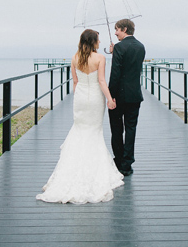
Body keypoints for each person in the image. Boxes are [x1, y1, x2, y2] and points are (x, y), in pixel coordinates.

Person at [36, 29, 124, 204]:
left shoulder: (75, 57)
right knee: (94, 131)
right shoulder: (100, 58)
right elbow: (101, 81)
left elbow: (75, 82)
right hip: (95, 100)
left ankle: (70, 170)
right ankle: (94, 171)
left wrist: (78, 98)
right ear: (93, 41)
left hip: (80, 99)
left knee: (79, 130)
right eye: (98, 40)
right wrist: (110, 99)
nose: (100, 42)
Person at [108, 19, 146, 176]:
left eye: (117, 29)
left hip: (119, 96)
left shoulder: (119, 47)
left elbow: (116, 74)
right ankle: (127, 164)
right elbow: (132, 68)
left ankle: (118, 161)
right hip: (135, 95)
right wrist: (114, 52)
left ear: (124, 29)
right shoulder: (141, 46)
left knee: (117, 129)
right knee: (131, 129)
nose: (115, 32)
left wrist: (111, 96)